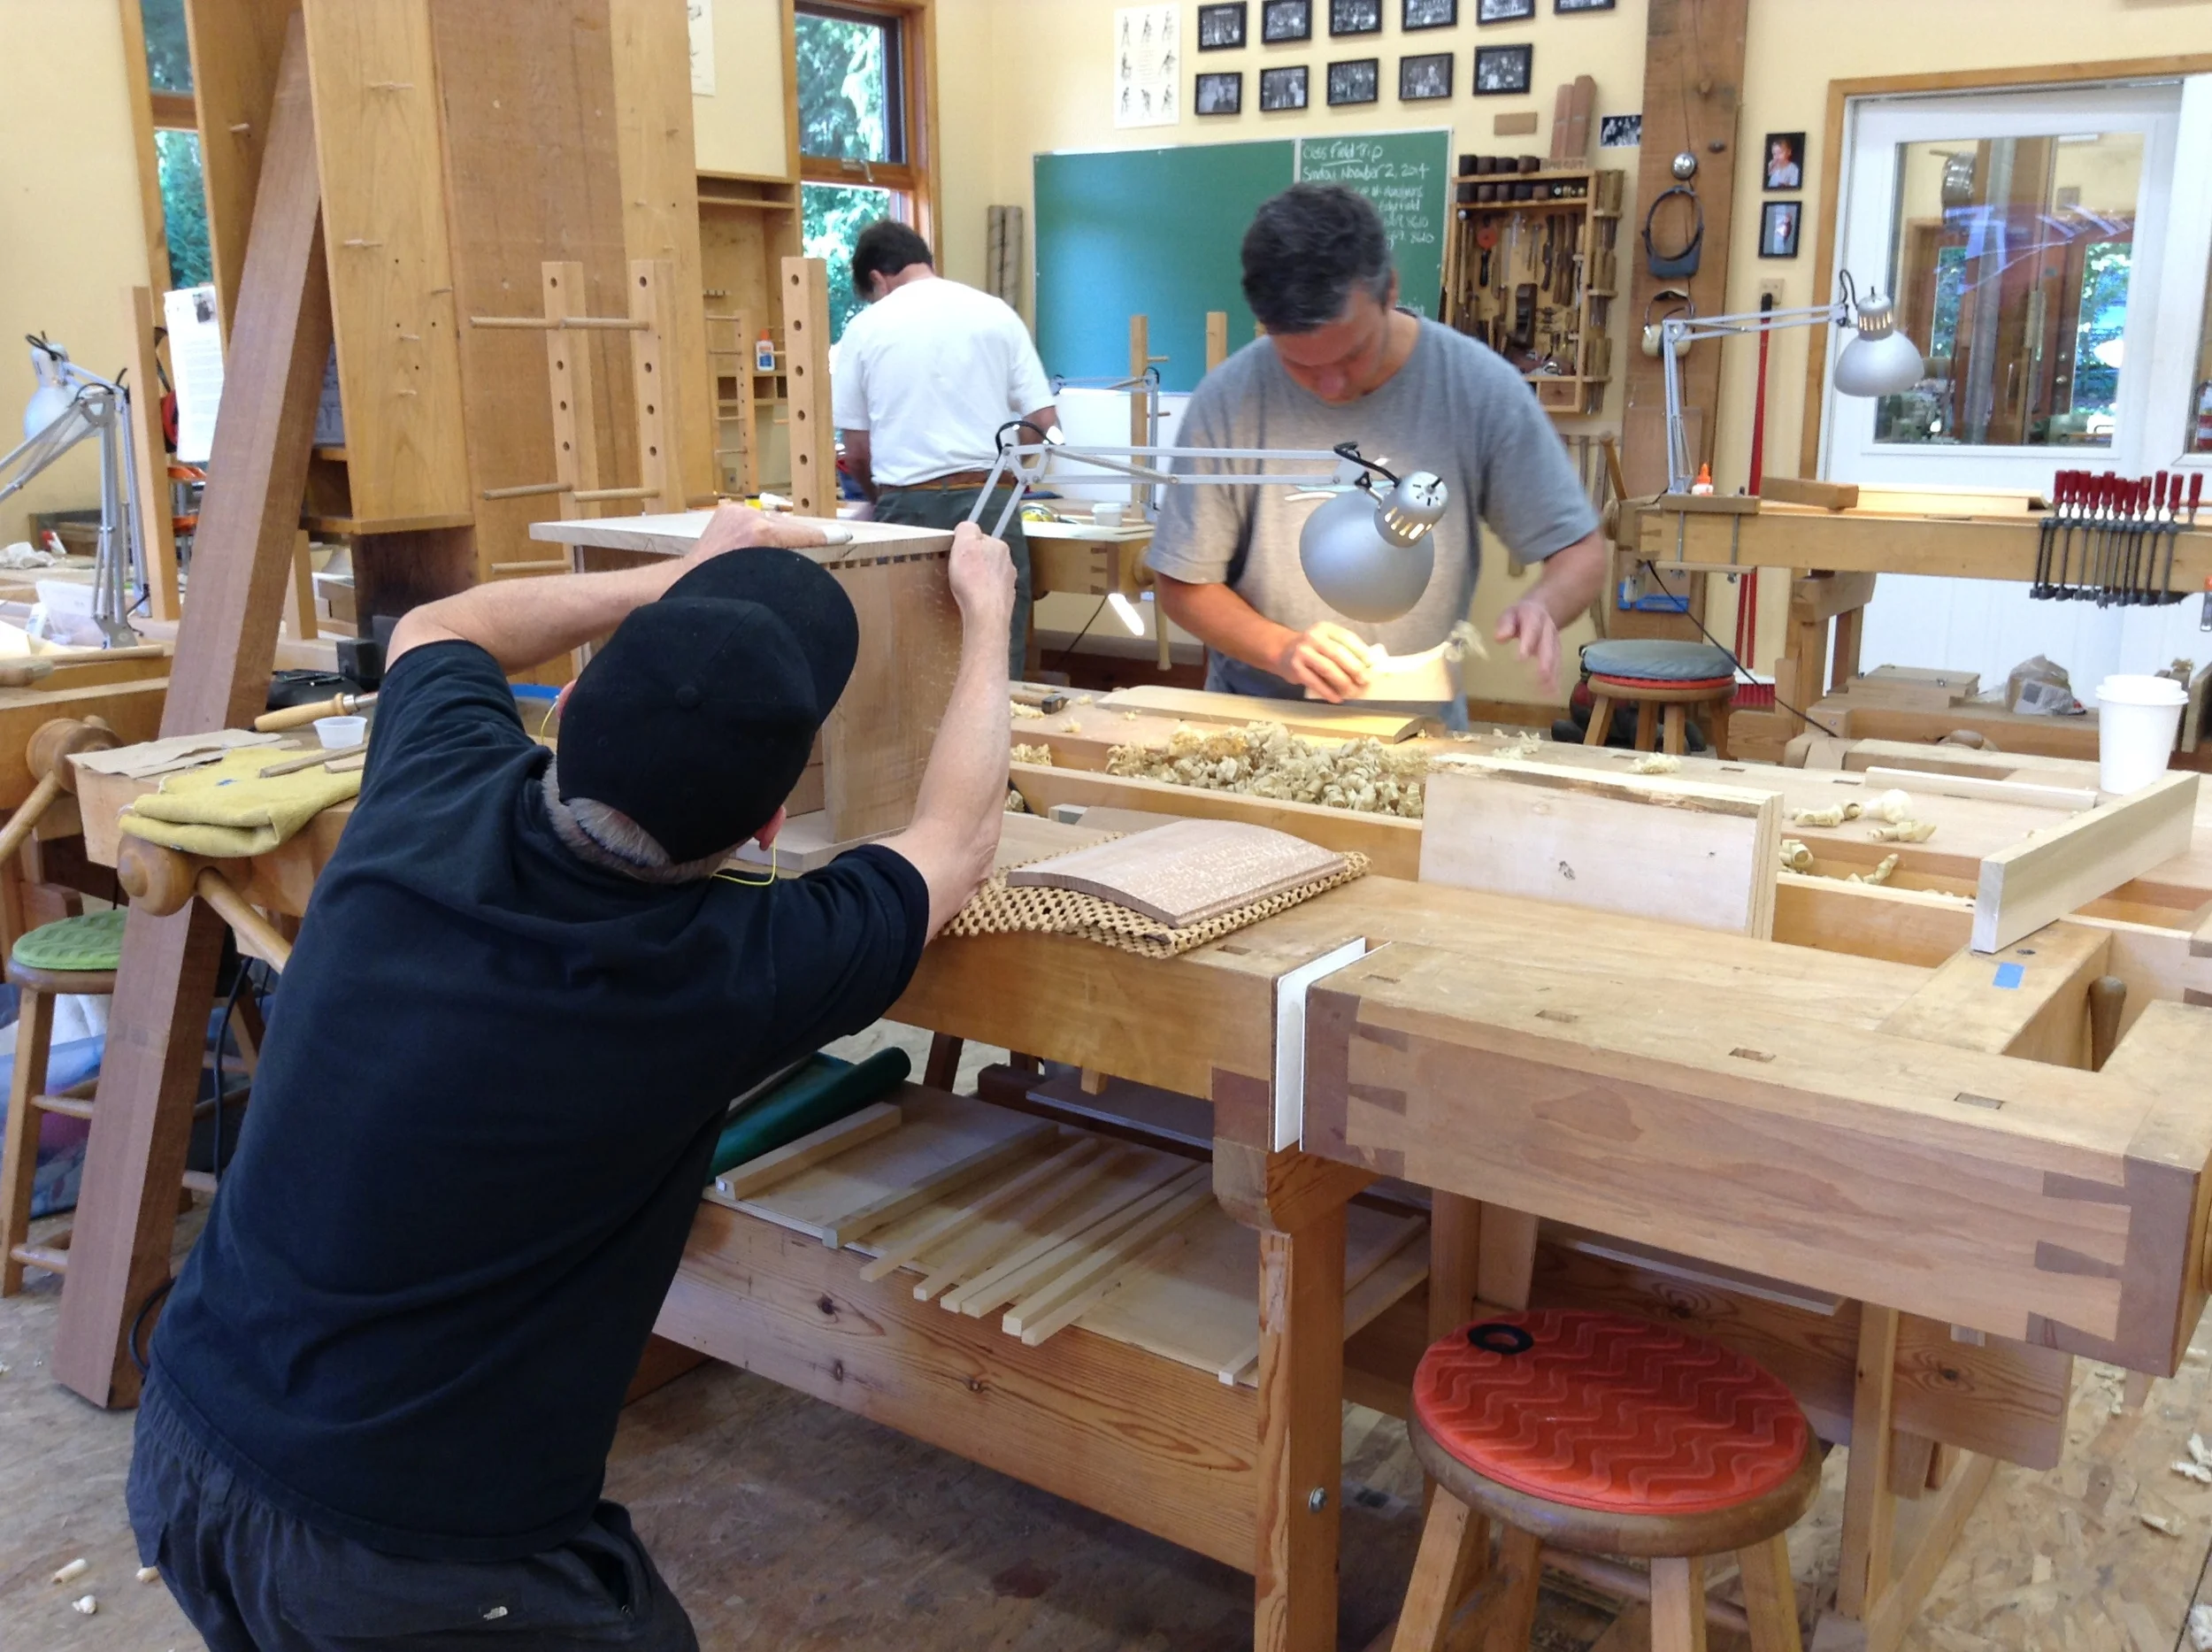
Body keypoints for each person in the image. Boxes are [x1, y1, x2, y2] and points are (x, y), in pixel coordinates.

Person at [127, 501, 1016, 1650]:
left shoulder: (429, 785)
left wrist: (670, 580)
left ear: (571, 709)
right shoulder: (731, 970)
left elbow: (440, 626)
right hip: (403, 1557)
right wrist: (988, 614)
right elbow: (959, 838)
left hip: (186, 1439)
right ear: (769, 825)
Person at [1147, 185, 1606, 727]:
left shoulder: (1477, 388)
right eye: (1301, 366)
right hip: (1254, 728)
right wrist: (1281, 649)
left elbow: (1580, 552)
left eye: (1351, 354)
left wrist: (1544, 606)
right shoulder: (1229, 400)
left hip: (1418, 732)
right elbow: (1182, 583)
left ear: (1389, 290)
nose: (1331, 386)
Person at [833, 219, 1058, 678]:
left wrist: (879, 501)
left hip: (906, 507)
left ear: (877, 279)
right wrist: (1010, 482)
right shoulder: (995, 313)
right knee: (995, 655)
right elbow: (1043, 422)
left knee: (913, 664)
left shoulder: (865, 327)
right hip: (991, 500)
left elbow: (856, 451)